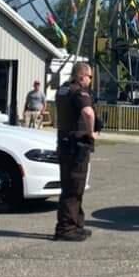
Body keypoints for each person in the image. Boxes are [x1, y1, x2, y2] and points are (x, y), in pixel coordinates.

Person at [53, 62, 96, 241]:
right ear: (81, 76)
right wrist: (91, 133)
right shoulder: (79, 92)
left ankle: (76, 223)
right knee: (74, 186)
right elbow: (88, 113)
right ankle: (66, 228)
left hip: (64, 142)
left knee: (70, 185)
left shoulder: (62, 90)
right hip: (76, 144)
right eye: (90, 77)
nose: (91, 80)